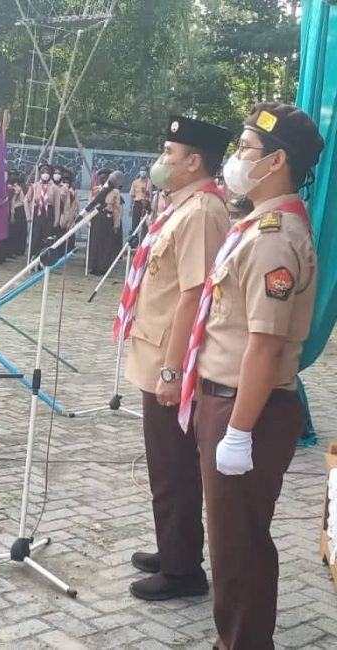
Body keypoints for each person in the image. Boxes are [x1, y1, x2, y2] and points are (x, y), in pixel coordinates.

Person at [179, 103, 324, 649]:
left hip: (247, 407)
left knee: (238, 545)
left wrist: (238, 431)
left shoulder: (273, 237)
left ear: (277, 161)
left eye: (246, 149)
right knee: (233, 539)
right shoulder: (257, 224)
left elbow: (264, 345)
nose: (236, 158)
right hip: (229, 399)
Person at [120, 115, 232, 601]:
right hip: (156, 352)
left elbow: (194, 295)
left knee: (174, 468)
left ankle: (183, 571)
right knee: (166, 465)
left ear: (194, 162)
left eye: (170, 152)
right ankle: (174, 548)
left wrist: (173, 370)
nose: (162, 159)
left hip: (171, 360)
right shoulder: (181, 206)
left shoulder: (203, 211)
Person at [88, 168, 122, 275]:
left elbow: (117, 209)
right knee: (95, 242)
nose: (103, 179)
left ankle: (103, 267)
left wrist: (116, 224)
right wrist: (88, 220)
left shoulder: (115, 192)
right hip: (96, 217)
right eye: (101, 177)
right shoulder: (95, 190)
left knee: (106, 243)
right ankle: (93, 266)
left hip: (108, 219)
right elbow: (90, 205)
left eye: (105, 177)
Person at [26, 163, 61, 258]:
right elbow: (26, 200)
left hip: (49, 213)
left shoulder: (55, 188)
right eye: (43, 172)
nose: (45, 174)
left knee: (47, 236)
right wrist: (29, 215)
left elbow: (57, 205)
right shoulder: (34, 186)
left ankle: (45, 257)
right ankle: (33, 257)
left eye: (47, 172)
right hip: (37, 212)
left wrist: (56, 220)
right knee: (35, 235)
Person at [7, 170, 27, 257]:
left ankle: (15, 251)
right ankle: (13, 251)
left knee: (16, 232)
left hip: (18, 210)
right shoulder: (15, 188)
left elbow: (16, 201)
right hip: (15, 210)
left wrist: (12, 213)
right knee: (14, 233)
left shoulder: (19, 188)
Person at [130, 164, 152, 236]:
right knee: (135, 222)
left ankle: (143, 238)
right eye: (141, 170)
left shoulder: (149, 182)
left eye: (144, 170)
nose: (142, 172)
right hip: (137, 203)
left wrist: (146, 192)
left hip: (145, 204)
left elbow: (150, 195)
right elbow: (132, 195)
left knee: (144, 223)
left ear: (146, 172)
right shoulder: (135, 182)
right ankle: (134, 239)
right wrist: (130, 207)